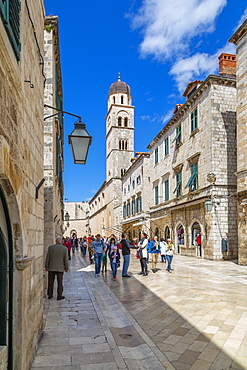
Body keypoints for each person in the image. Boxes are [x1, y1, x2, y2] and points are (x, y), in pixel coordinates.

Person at [45, 236, 69, 300]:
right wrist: (66, 267)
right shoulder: (64, 249)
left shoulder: (50, 248)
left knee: (50, 281)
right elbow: (66, 259)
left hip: (51, 267)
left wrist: (46, 266)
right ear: (61, 241)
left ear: (55, 241)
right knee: (60, 282)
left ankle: (50, 294)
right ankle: (59, 295)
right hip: (60, 268)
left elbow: (48, 258)